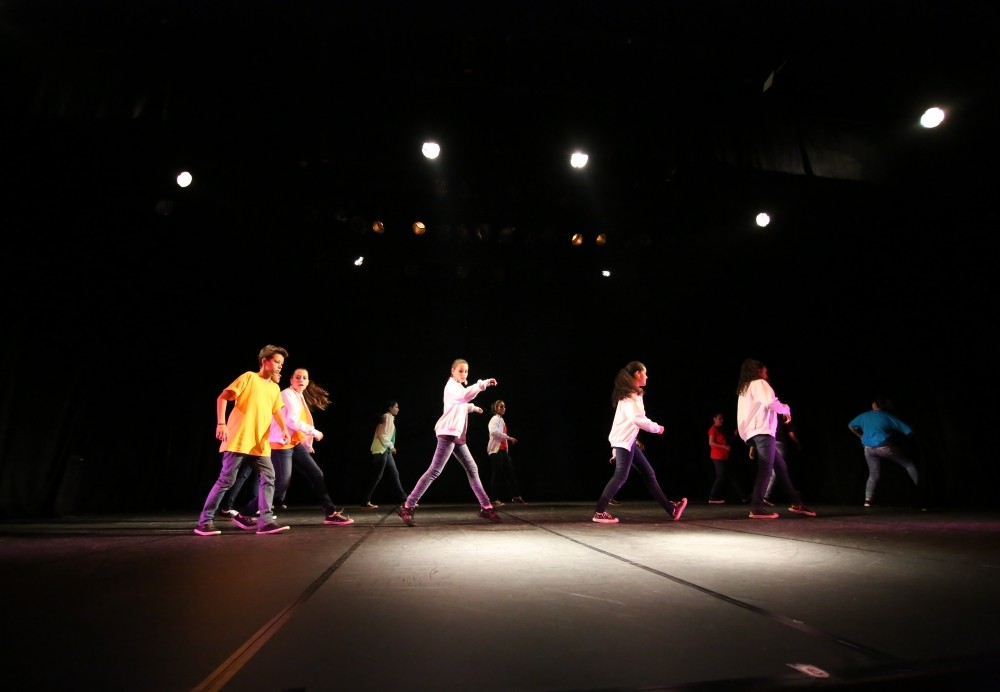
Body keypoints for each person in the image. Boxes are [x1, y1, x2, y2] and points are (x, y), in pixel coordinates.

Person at [194, 345, 291, 536]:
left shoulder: (274, 387)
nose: (280, 366)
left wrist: (285, 430)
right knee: (226, 480)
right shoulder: (249, 377)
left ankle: (265, 521)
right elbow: (223, 397)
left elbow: (276, 409)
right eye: (277, 362)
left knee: (269, 478)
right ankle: (204, 522)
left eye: (282, 364)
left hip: (259, 443)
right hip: (240, 438)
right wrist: (221, 423)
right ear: (265, 361)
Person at [396, 359, 500, 526]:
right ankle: (407, 506)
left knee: (472, 469)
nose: (464, 374)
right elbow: (462, 397)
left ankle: (486, 507)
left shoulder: (457, 387)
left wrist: (472, 407)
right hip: (448, 434)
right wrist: (483, 384)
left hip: (456, 436)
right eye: (460, 371)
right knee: (434, 471)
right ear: (452, 371)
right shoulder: (451, 386)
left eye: (466, 371)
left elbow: (459, 404)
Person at [592, 361, 688, 524]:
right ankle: (600, 511)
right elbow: (636, 419)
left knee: (648, 473)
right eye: (645, 372)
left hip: (627, 441)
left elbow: (626, 422)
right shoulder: (631, 395)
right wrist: (657, 428)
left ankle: (671, 509)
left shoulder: (630, 394)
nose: (647, 376)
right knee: (621, 475)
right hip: (624, 441)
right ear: (637, 374)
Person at [260, 367, 354, 526]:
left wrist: (306, 442)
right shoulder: (287, 394)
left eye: (304, 378)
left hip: (294, 444)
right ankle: (246, 512)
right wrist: (314, 432)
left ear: (308, 381)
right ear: (291, 380)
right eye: (297, 377)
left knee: (316, 474)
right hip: (281, 445)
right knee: (281, 484)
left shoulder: (299, 396)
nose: (301, 380)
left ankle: (330, 513)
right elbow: (291, 421)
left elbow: (296, 424)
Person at [736, 358, 815, 520]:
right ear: (758, 371)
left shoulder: (745, 389)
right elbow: (770, 402)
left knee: (780, 467)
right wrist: (786, 409)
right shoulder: (759, 383)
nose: (766, 374)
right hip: (762, 432)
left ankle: (796, 502)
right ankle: (756, 507)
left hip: (755, 433)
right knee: (766, 468)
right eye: (765, 371)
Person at [848, 397, 919, 507]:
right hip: (884, 448)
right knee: (909, 464)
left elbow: (850, 425)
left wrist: (860, 436)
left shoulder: (864, 416)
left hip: (868, 449)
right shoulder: (888, 417)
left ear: (874, 405)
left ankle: (868, 499)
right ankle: (920, 490)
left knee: (873, 474)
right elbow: (908, 430)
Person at [362, 400, 408, 509]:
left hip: (385, 450)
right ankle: (365, 500)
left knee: (394, 474)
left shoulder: (389, 418)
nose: (398, 409)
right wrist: (391, 446)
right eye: (396, 407)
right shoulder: (387, 417)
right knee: (377, 476)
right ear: (390, 408)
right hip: (381, 450)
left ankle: (405, 500)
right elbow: (383, 435)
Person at [487, 399, 526, 506]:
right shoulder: (494, 419)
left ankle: (516, 496)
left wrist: (507, 450)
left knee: (510, 472)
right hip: (495, 450)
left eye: (504, 407)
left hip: (503, 450)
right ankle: (494, 499)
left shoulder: (502, 420)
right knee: (497, 474)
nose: (503, 408)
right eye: (501, 407)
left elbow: (502, 436)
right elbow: (494, 433)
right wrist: (509, 438)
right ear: (496, 408)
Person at [707, 412, 746, 504]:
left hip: (724, 457)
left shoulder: (721, 430)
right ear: (714, 419)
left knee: (732, 476)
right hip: (717, 456)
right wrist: (724, 447)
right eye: (719, 418)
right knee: (721, 476)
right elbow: (711, 443)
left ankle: (744, 497)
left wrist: (735, 434)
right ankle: (712, 497)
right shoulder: (713, 429)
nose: (721, 420)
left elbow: (727, 442)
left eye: (722, 418)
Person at [763, 414, 802, 506]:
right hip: (779, 444)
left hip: (769, 443)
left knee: (772, 470)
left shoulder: (770, 417)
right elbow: (791, 434)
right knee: (777, 471)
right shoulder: (785, 417)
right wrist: (798, 443)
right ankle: (765, 495)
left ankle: (763, 495)